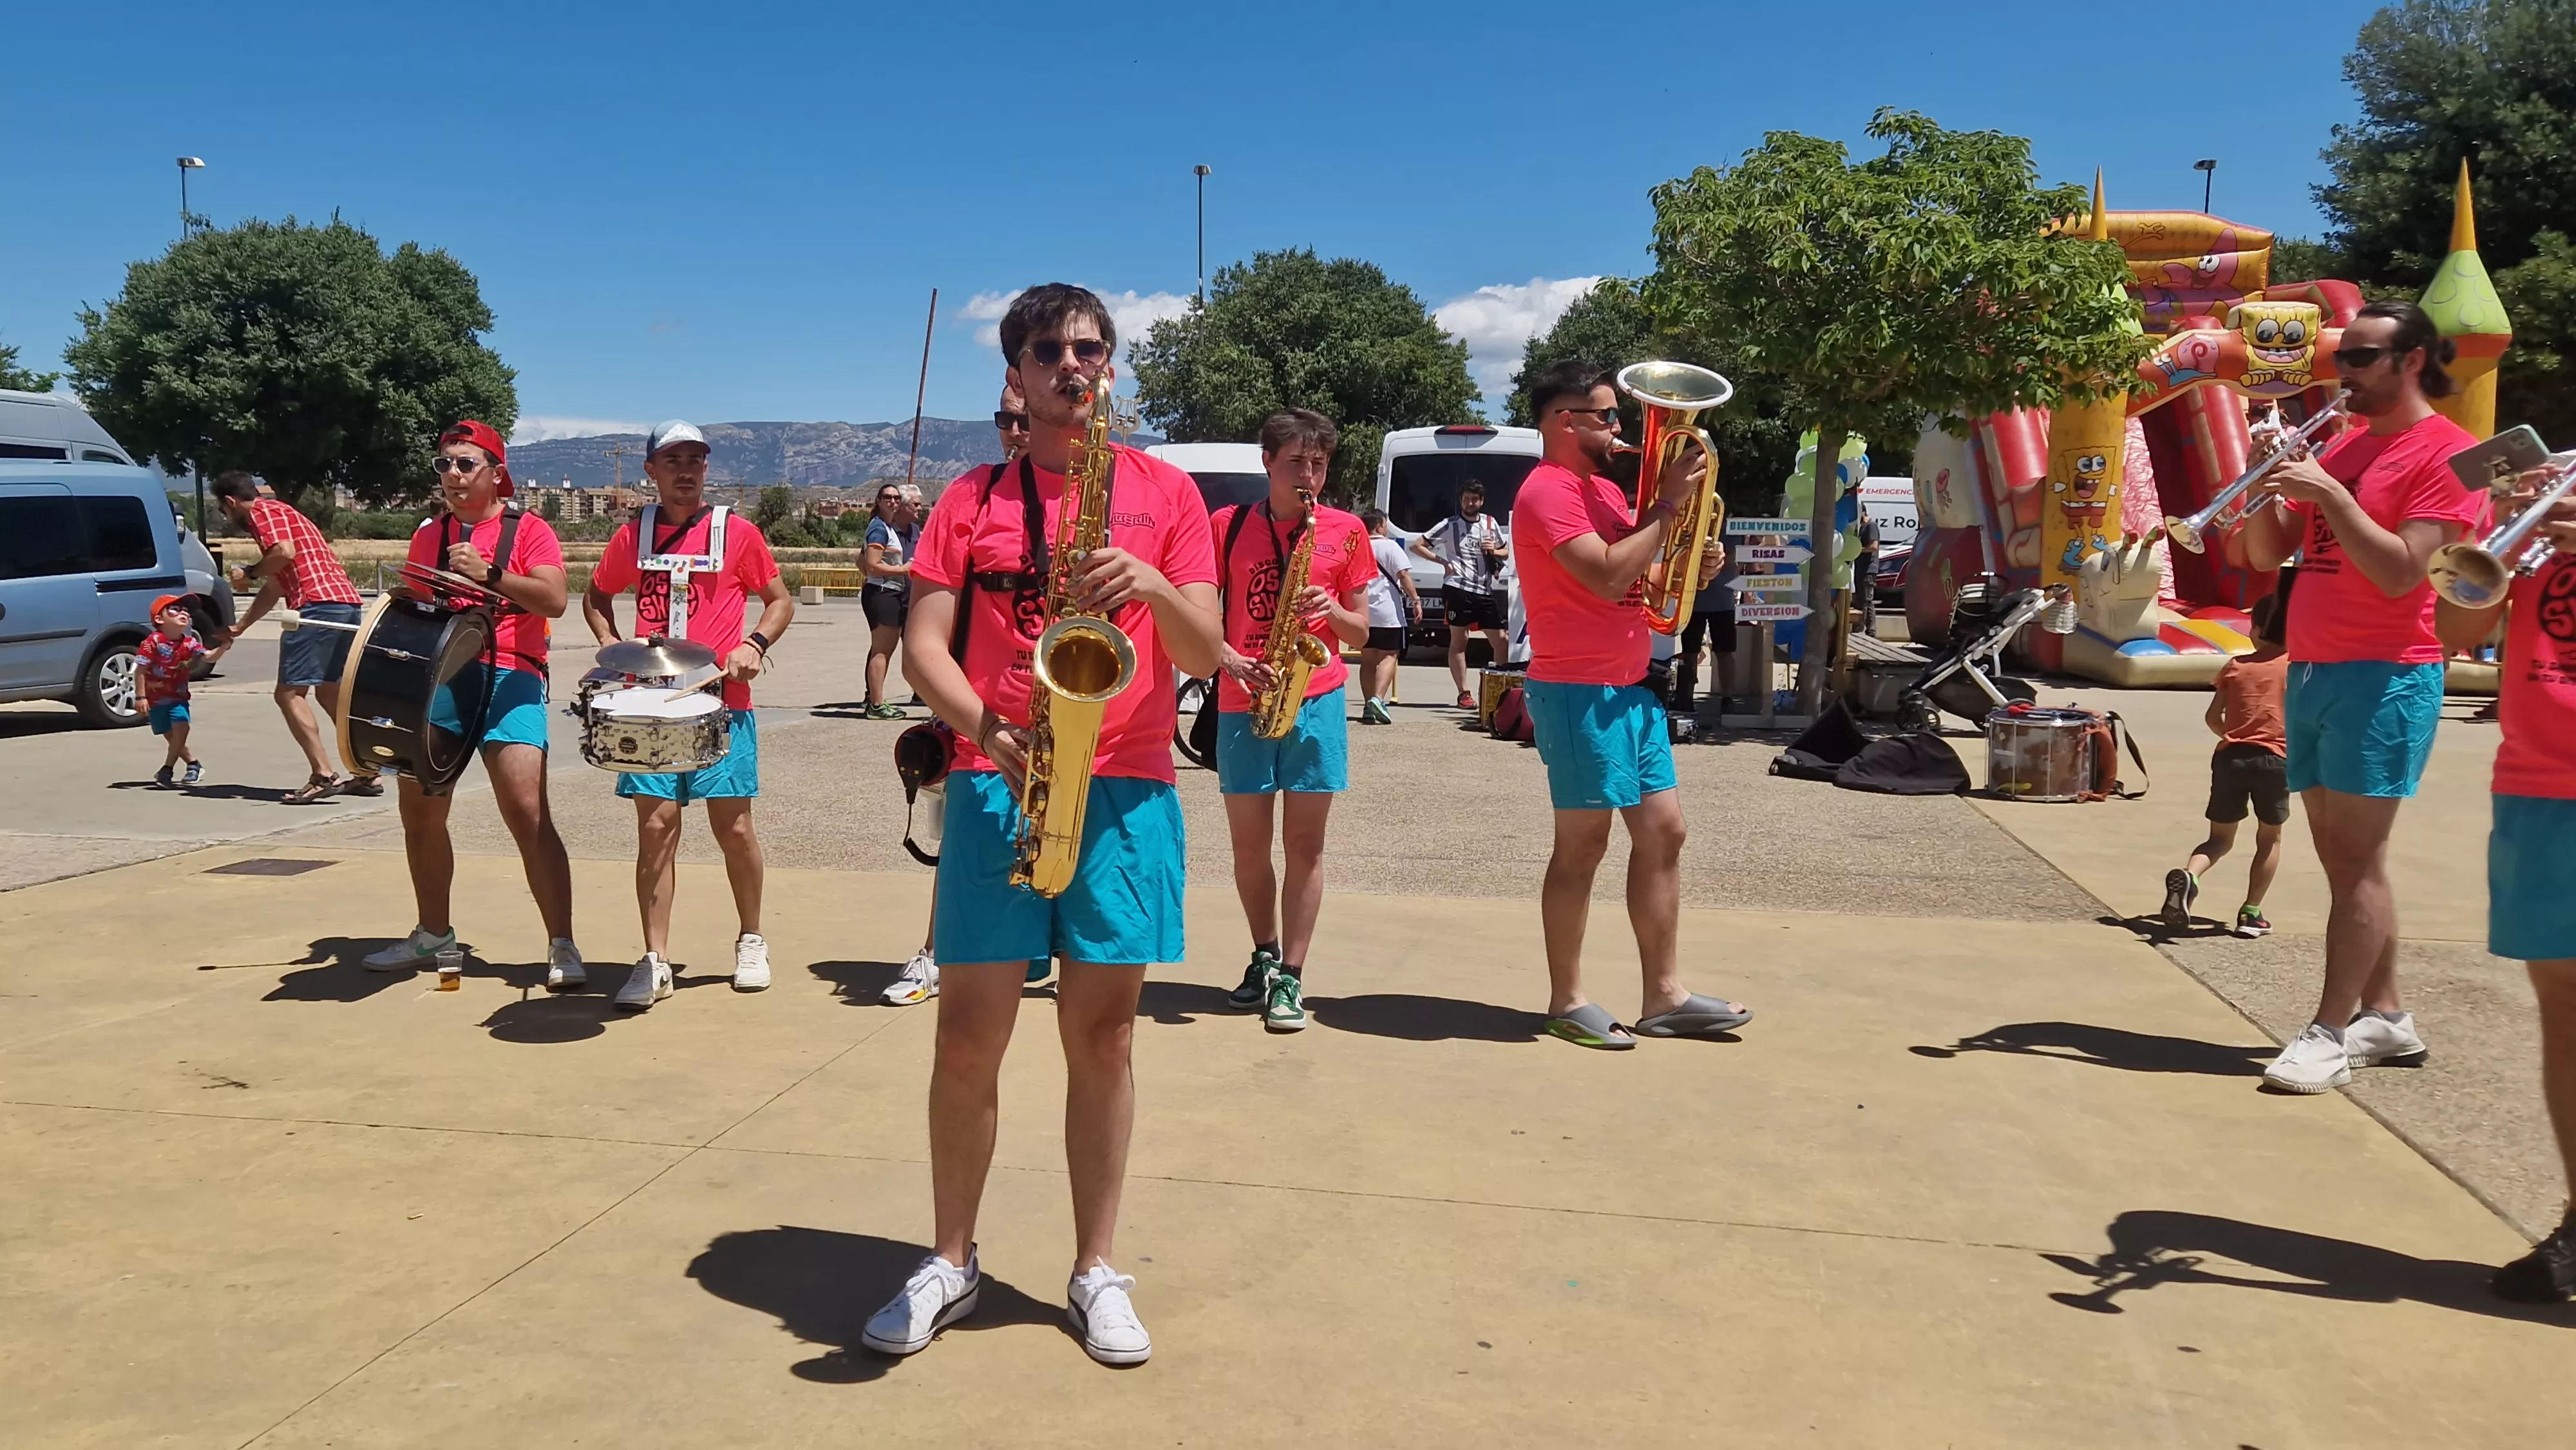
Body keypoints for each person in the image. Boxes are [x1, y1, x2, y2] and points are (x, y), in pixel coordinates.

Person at [866, 283, 1220, 1368]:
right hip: (995, 778)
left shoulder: (1168, 494)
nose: (1072, 364)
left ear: (1110, 365)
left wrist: (1154, 582)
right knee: (968, 1036)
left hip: (1126, 783)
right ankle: (951, 1257)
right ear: (1015, 374)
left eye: (1089, 348)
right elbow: (926, 643)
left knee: (1104, 1039)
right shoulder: (972, 496)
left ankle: (1094, 1268)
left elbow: (1207, 652)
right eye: (1047, 350)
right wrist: (987, 730)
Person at [2239, 299, 2485, 1093]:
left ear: (2411, 359)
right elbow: (2265, 553)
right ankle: (2386, 1015)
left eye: (2362, 357)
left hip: (2388, 670)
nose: (2343, 373)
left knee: (2357, 859)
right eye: (2341, 357)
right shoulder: (2341, 446)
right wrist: (2267, 488)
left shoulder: (2449, 454)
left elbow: (2401, 572)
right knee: (2342, 860)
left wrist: (2331, 496)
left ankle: (2329, 1031)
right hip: (2313, 667)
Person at [1511, 359, 1750, 1050]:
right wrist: (1669, 505)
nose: (1620, 427)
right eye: (1607, 415)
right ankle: (1566, 998)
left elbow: (1640, 570)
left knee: (1664, 832)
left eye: (1618, 415)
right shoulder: (1546, 492)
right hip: (1579, 691)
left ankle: (1664, 995)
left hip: (1627, 686)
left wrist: (1690, 563)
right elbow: (1604, 569)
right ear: (1565, 421)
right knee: (1583, 846)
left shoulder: (1602, 491)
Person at [359, 422, 585, 988]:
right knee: (421, 814)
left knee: (528, 813)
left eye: (466, 464)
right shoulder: (428, 535)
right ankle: (433, 933)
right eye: (445, 465)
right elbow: (418, 607)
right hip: (441, 681)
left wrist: (492, 575)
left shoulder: (530, 530)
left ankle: (562, 945)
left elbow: (555, 599)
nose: (454, 476)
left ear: (495, 472)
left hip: (512, 675)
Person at [583, 420, 797, 1011]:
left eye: (696, 461)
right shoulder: (633, 536)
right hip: (650, 706)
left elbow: (780, 600)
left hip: (722, 704)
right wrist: (612, 647)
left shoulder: (739, 532)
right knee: (656, 830)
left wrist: (754, 645)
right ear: (651, 470)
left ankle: (752, 938)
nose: (686, 470)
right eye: (673, 460)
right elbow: (597, 594)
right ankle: (654, 959)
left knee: (734, 829)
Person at [2434, 472, 2576, 1302]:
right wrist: (2504, 540)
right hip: (2536, 782)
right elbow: (2456, 627)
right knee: (2562, 1004)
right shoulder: (2552, 497)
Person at [1208, 409, 1374, 1031]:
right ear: (1267, 463)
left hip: (1317, 697)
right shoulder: (1227, 526)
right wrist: (1229, 660)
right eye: (1296, 463)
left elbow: (1362, 631)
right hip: (1242, 697)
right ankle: (1263, 954)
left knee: (1304, 846)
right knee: (1250, 848)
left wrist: (1330, 607)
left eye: (1320, 464)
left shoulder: (1348, 530)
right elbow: (1203, 616)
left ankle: (1292, 977)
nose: (1310, 476)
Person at [884, 384, 1037, 1008]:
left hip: (1071, 708)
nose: (1017, 428)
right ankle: (934, 952)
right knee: (960, 850)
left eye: (1026, 417)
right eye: (1007, 418)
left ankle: (1030, 946)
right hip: (983, 712)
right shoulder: (974, 495)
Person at [213, 471, 371, 805]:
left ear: (230, 502)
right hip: (345, 603)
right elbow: (278, 583)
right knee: (331, 693)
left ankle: (323, 774)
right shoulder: (285, 513)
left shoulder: (262, 515)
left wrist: (250, 571)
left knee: (288, 693)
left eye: (224, 511)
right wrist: (241, 627)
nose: (227, 518)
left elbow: (283, 553)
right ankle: (367, 771)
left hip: (315, 606)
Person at [2162, 591, 2290, 939]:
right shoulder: (2298, 668)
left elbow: (2212, 716)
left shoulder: (2235, 666)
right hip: (2275, 760)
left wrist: (2234, 734)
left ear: (2257, 630)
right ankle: (2251, 914)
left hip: (2230, 757)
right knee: (2270, 839)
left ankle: (2190, 876)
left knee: (2219, 839)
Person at [1410, 480, 1511, 709]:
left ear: (1481, 501)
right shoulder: (1450, 524)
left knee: (1501, 640)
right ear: (1461, 500)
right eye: (1466, 499)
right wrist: (1443, 562)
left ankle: (1501, 690)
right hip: (1458, 587)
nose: (1470, 503)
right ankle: (1463, 693)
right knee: (1460, 640)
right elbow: (1417, 546)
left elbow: (1505, 551)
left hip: (1484, 589)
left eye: (1474, 499)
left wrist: (1493, 551)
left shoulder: (1490, 522)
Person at [138, 596, 215, 787]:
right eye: (175, 610)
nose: (184, 613)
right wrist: (140, 696)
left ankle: (167, 769)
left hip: (178, 697)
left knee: (182, 727)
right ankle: (193, 765)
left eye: (186, 611)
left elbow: (207, 656)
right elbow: (140, 670)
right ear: (159, 619)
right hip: (155, 698)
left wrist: (223, 646)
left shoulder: (189, 643)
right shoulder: (152, 642)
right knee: (172, 737)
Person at [860, 482, 920, 719]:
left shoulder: (887, 527)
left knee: (885, 649)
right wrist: (904, 570)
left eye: (896, 498)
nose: (893, 502)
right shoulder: (879, 529)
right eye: (888, 498)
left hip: (888, 591)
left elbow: (864, 562)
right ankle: (876, 703)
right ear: (879, 501)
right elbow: (871, 564)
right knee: (882, 651)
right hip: (883, 593)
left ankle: (876, 701)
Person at [1358, 507, 1419, 724]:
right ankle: (1378, 699)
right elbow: (1403, 575)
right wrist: (1416, 600)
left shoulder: (1357, 546)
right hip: (1387, 612)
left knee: (1367, 660)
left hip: (1363, 611)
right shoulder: (1390, 547)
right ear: (1380, 526)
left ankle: (1367, 705)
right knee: (1389, 655)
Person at [1669, 545, 1736, 731]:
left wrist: (1714, 557)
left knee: (1724, 652)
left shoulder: (1733, 530)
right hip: (1693, 602)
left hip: (1723, 602)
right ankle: (1686, 697)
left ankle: (1728, 699)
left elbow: (1735, 560)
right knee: (1690, 653)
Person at [1849, 485, 1882, 639]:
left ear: (1863, 512)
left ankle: (1870, 632)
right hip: (1861, 568)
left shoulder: (1871, 526)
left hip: (1869, 569)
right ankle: (1862, 630)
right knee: (1860, 599)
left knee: (1867, 600)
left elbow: (1873, 546)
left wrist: (1857, 550)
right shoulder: (1861, 527)